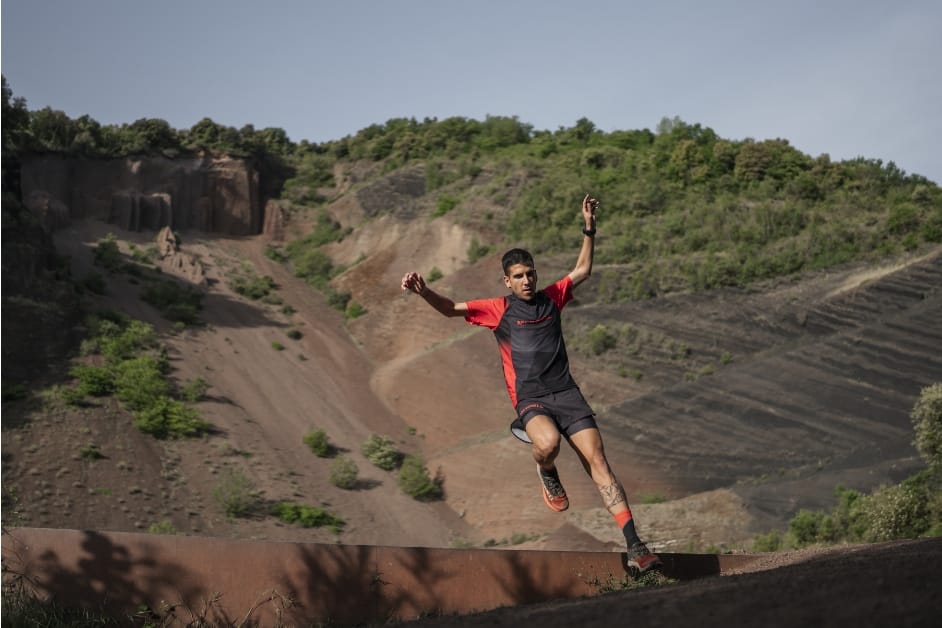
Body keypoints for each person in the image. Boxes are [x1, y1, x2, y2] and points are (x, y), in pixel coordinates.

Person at [400, 194, 661, 574]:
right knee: (548, 444)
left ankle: (636, 547)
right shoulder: (497, 309)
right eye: (519, 276)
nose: (526, 280)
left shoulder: (552, 298)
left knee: (599, 461)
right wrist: (423, 291)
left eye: (531, 273)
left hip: (568, 395)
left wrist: (588, 226)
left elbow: (583, 269)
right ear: (507, 280)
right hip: (531, 399)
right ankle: (546, 469)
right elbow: (449, 308)